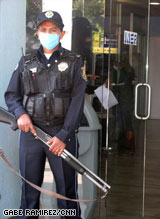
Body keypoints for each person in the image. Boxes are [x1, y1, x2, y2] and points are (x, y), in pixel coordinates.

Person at [5, 11, 86, 218]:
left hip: (61, 136)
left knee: (67, 194)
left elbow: (77, 102)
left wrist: (64, 135)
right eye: (43, 30)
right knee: (29, 193)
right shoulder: (26, 61)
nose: (47, 33)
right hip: (31, 133)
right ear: (37, 32)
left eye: (53, 30)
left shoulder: (74, 62)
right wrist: (20, 114)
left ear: (62, 33)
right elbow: (12, 94)